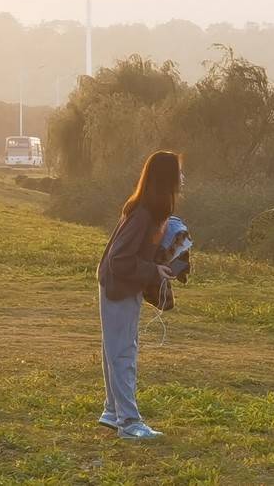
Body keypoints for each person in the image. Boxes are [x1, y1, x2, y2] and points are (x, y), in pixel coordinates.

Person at [96, 150, 181, 439]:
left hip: (121, 287)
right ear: (167, 178)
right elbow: (119, 260)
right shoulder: (142, 214)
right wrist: (153, 271)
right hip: (118, 288)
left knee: (116, 350)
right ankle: (130, 423)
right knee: (122, 353)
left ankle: (112, 411)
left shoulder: (148, 213)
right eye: (178, 173)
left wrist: (161, 263)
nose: (182, 178)